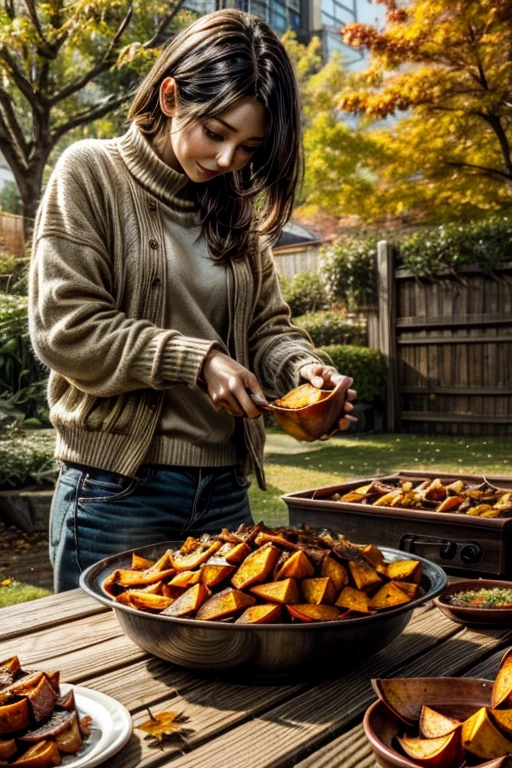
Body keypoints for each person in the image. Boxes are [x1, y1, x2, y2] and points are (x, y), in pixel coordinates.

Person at [29, 9, 356, 593]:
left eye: (249, 147)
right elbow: (65, 329)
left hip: (225, 493)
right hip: (116, 492)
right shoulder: (90, 174)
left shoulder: (234, 206)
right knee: (105, 672)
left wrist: (302, 370)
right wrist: (197, 360)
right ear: (171, 94)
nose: (228, 161)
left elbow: (266, 329)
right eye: (216, 132)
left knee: (229, 670)